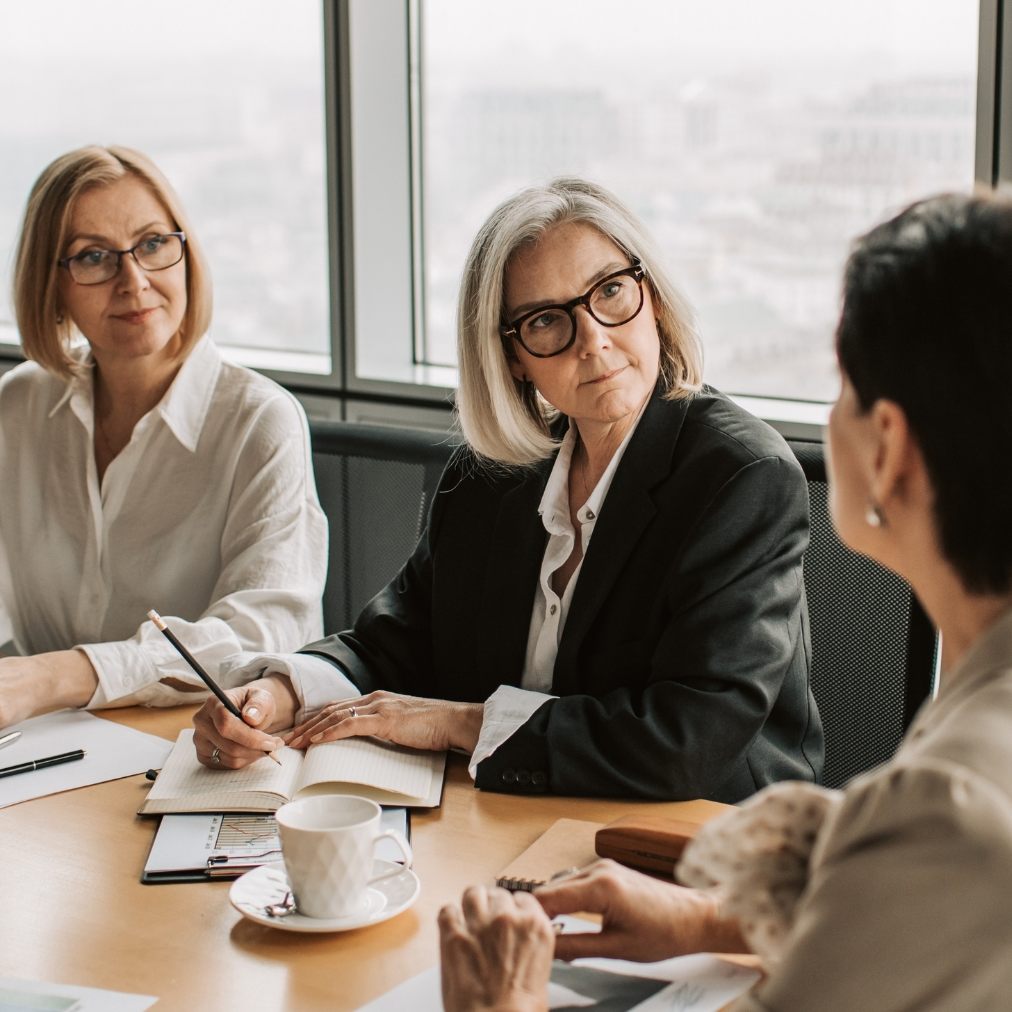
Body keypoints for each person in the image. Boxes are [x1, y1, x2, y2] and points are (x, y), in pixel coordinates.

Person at [437, 191, 1012, 1010]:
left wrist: (500, 1005)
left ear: (888, 450)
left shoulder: (948, 808)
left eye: (842, 387)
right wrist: (707, 920)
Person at [193, 177, 822, 801]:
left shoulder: (741, 478)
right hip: (508, 818)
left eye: (610, 291)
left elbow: (689, 741)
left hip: (700, 840)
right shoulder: (490, 476)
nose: (594, 339)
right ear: (513, 357)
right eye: (548, 321)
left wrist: (456, 722)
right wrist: (280, 694)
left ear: (651, 297)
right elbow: (395, 644)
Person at [0, 145, 327, 726]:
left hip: (193, 747)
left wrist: (59, 675)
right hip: (35, 744)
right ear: (50, 286)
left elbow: (264, 632)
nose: (133, 281)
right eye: (92, 256)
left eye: (153, 244)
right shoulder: (20, 403)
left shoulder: (260, 420)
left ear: (186, 255)